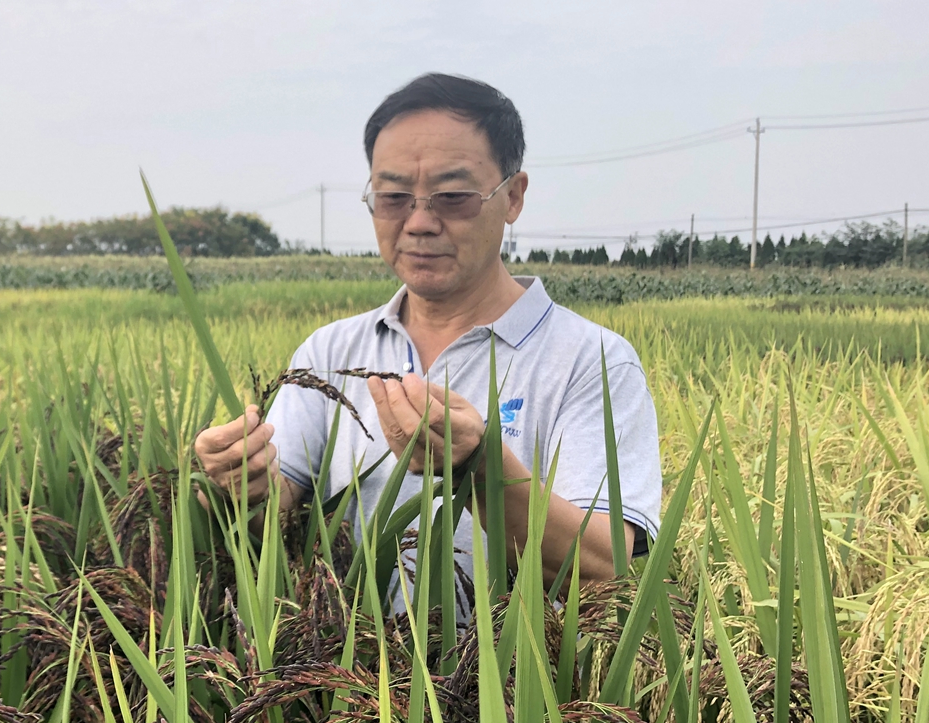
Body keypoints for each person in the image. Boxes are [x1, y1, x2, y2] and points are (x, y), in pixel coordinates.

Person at [193, 73, 661, 600]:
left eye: (453, 196)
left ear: (513, 196)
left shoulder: (592, 362)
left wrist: (482, 465)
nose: (418, 221)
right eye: (393, 197)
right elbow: (280, 517)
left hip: (512, 677)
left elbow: (607, 565)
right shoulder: (330, 353)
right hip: (347, 669)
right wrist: (239, 484)